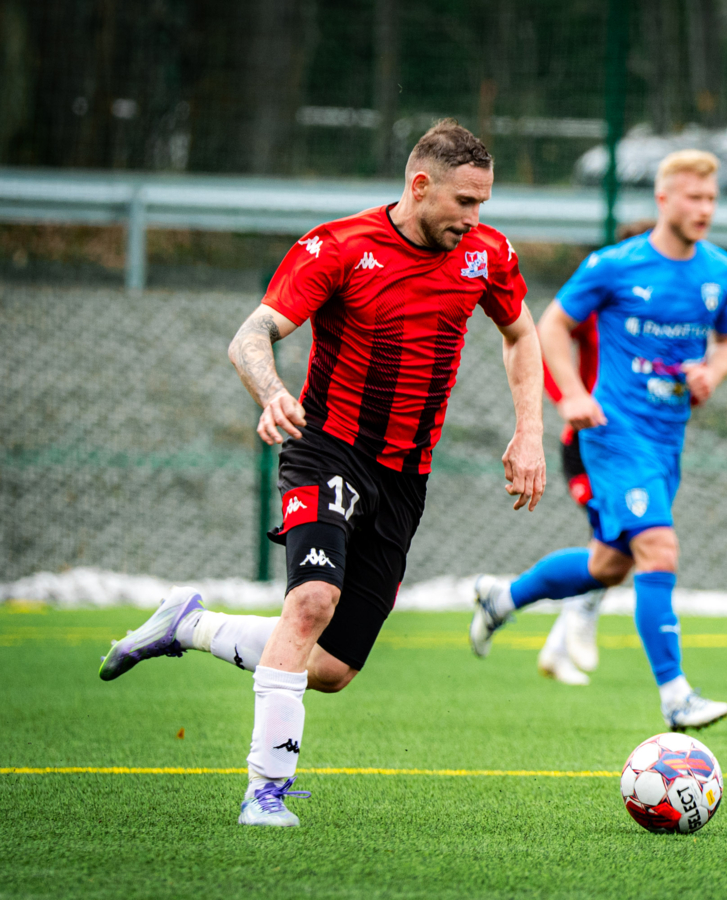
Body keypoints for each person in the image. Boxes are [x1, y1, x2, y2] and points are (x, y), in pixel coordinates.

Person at [96, 119, 546, 826]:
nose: (475, 217)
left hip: (405, 475)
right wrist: (273, 392)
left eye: (483, 203)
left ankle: (189, 626)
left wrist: (530, 431)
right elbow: (251, 335)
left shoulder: (487, 254)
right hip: (327, 447)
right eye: (465, 201)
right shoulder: (337, 247)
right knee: (310, 602)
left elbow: (521, 334)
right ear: (419, 185)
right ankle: (265, 791)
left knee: (332, 669)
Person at [469, 152, 727, 732]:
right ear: (663, 199)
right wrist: (571, 394)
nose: (704, 209)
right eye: (693, 197)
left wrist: (712, 373)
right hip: (614, 433)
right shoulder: (615, 265)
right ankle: (676, 696)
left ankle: (503, 598)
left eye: (711, 198)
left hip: (667, 440)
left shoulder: (720, 271)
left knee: (609, 564)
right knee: (658, 548)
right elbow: (550, 326)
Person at [535, 219, 657, 687]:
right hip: (590, 441)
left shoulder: (663, 309)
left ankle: (554, 643)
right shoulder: (597, 303)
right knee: (617, 540)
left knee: (619, 544)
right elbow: (547, 340)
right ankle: (564, 615)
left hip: (639, 443)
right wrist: (568, 400)